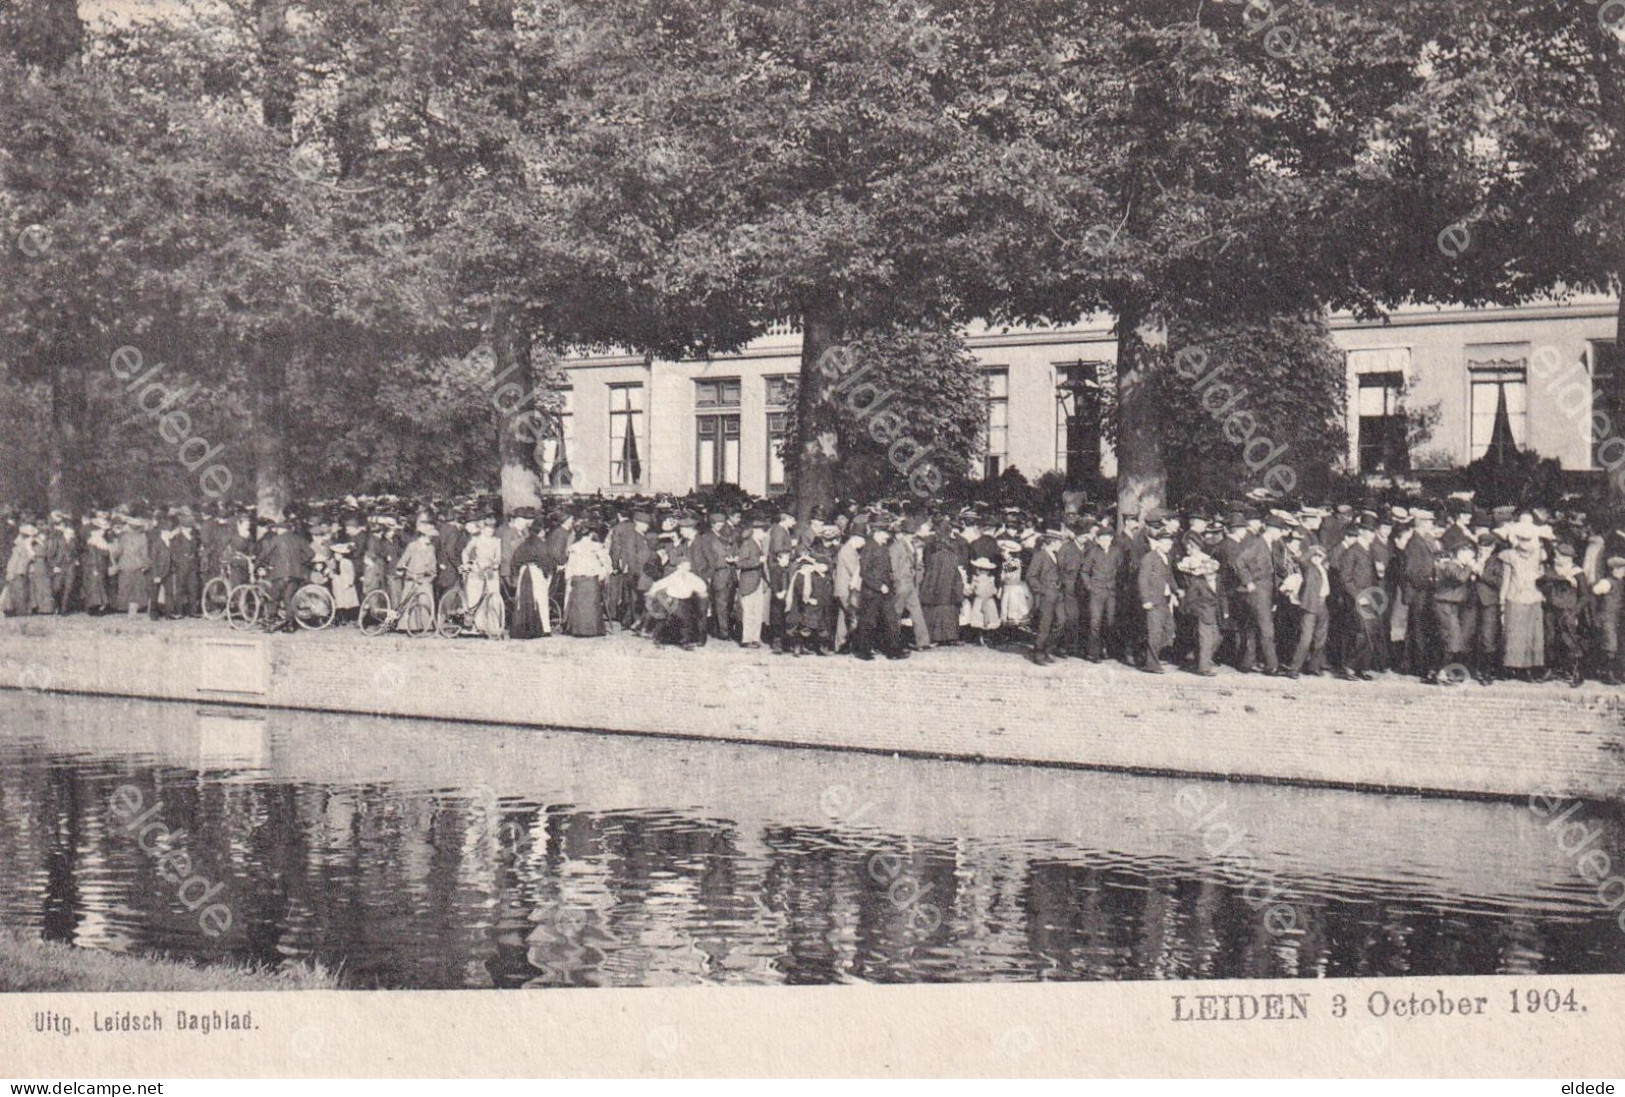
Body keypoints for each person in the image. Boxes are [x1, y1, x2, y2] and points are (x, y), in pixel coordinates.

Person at [1498, 516, 1548, 679]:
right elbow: (1506, 578)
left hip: (1533, 596)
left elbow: (1541, 572)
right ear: (1516, 539)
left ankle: (1530, 667)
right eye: (1521, 539)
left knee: (1533, 633)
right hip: (1515, 596)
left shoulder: (1539, 554)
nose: (1525, 543)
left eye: (1528, 539)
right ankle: (1512, 667)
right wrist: (1502, 600)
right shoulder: (1508, 555)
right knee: (1515, 633)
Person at [853, 524, 903, 660]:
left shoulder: (882, 547)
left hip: (885, 591)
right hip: (872, 591)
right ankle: (863, 651)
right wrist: (879, 586)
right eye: (885, 533)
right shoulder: (869, 548)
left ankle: (894, 650)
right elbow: (864, 572)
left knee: (891, 619)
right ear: (877, 533)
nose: (888, 536)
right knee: (868, 621)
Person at [1285, 543, 1332, 678]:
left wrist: (1320, 554)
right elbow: (1301, 560)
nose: (1317, 558)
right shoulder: (1308, 568)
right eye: (1315, 555)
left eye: (1320, 556)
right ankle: (1294, 668)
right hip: (1311, 604)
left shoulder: (1322, 568)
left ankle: (1314, 666)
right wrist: (1312, 551)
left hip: (1322, 603)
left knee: (1321, 637)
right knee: (1306, 637)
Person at [1138, 527, 1177, 673]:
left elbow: (1169, 577)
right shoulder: (1149, 558)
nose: (1168, 546)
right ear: (1158, 543)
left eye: (1170, 543)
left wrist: (1176, 590)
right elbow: (1142, 580)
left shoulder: (1168, 557)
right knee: (1155, 633)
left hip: (1165, 600)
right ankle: (1151, 664)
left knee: (1169, 630)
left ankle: (1147, 655)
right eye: (1166, 543)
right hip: (1153, 601)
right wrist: (1145, 599)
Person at [1177, 550, 1222, 676]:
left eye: (1213, 574)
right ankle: (1204, 668)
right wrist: (1197, 611)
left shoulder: (1218, 581)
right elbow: (1189, 600)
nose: (1211, 576)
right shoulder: (1197, 583)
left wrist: (1225, 611)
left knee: (1217, 638)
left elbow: (1221, 597)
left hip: (1214, 615)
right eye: (1208, 574)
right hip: (1203, 614)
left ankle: (1201, 660)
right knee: (1206, 640)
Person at [919, 526, 965, 645]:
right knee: (950, 612)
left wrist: (928, 590)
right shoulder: (954, 557)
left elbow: (931, 575)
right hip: (950, 590)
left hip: (937, 590)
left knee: (936, 612)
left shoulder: (935, 557)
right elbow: (957, 577)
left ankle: (936, 637)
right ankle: (951, 636)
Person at [509, 517, 553, 639]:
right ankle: (544, 628)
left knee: (522, 599)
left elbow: (514, 561)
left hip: (524, 572)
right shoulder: (541, 544)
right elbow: (545, 561)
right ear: (541, 531)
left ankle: (521, 628)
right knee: (540, 599)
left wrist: (518, 573)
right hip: (536, 572)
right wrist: (547, 574)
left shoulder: (523, 543)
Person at [1026, 528, 1064, 665]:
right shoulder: (1040, 555)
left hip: (1058, 593)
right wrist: (1042, 590)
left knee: (1061, 621)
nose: (1060, 545)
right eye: (1059, 542)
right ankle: (1038, 653)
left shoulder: (1055, 555)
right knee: (1045, 624)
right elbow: (1030, 576)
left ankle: (1047, 648)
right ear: (1052, 542)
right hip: (1047, 594)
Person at [563, 525, 610, 637]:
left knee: (579, 604)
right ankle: (592, 629)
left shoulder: (574, 547)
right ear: (590, 534)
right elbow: (606, 562)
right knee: (592, 604)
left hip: (578, 580)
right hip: (591, 580)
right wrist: (603, 573)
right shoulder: (597, 547)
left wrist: (568, 578)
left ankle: (578, 629)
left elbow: (570, 566)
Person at [735, 515, 770, 648]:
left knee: (757, 611)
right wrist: (757, 562)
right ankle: (746, 639)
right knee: (749, 612)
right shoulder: (747, 543)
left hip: (757, 582)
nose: (766, 534)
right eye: (764, 531)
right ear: (756, 531)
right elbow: (740, 563)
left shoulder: (758, 543)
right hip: (749, 583)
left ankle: (754, 638)